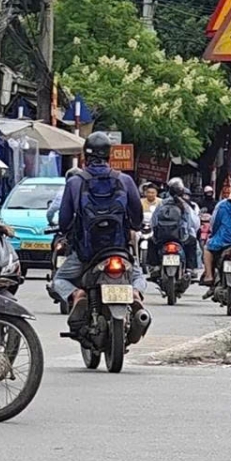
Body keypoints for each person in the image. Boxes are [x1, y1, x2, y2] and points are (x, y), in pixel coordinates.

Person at [53, 132, 145, 330]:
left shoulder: (75, 182)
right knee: (137, 277)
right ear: (109, 156)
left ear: (85, 157)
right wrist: (132, 227)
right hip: (119, 249)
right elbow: (137, 218)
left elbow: (64, 221)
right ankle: (135, 294)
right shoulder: (125, 180)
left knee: (59, 280)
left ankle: (77, 295)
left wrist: (68, 231)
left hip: (87, 253)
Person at [149, 177, 200, 278]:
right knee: (192, 242)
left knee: (151, 241)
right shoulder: (185, 205)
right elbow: (193, 224)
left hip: (162, 238)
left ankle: (155, 266)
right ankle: (190, 268)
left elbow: (153, 222)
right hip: (181, 238)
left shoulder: (161, 203)